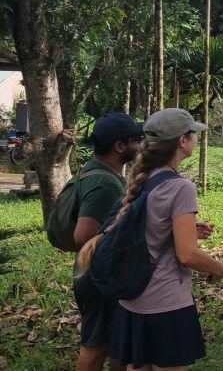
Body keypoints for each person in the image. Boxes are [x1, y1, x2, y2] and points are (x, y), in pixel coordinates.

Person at [76, 108, 223, 370]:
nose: (194, 139)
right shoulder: (181, 187)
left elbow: (147, 229)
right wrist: (218, 268)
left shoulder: (142, 178)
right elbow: (187, 254)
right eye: (192, 134)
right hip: (166, 302)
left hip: (133, 301)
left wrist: (183, 230)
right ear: (182, 140)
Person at [73, 113, 143, 371]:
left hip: (101, 272)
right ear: (120, 147)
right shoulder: (104, 182)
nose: (140, 145)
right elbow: (83, 235)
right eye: (136, 140)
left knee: (116, 344)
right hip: (98, 275)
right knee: (95, 347)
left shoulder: (92, 170)